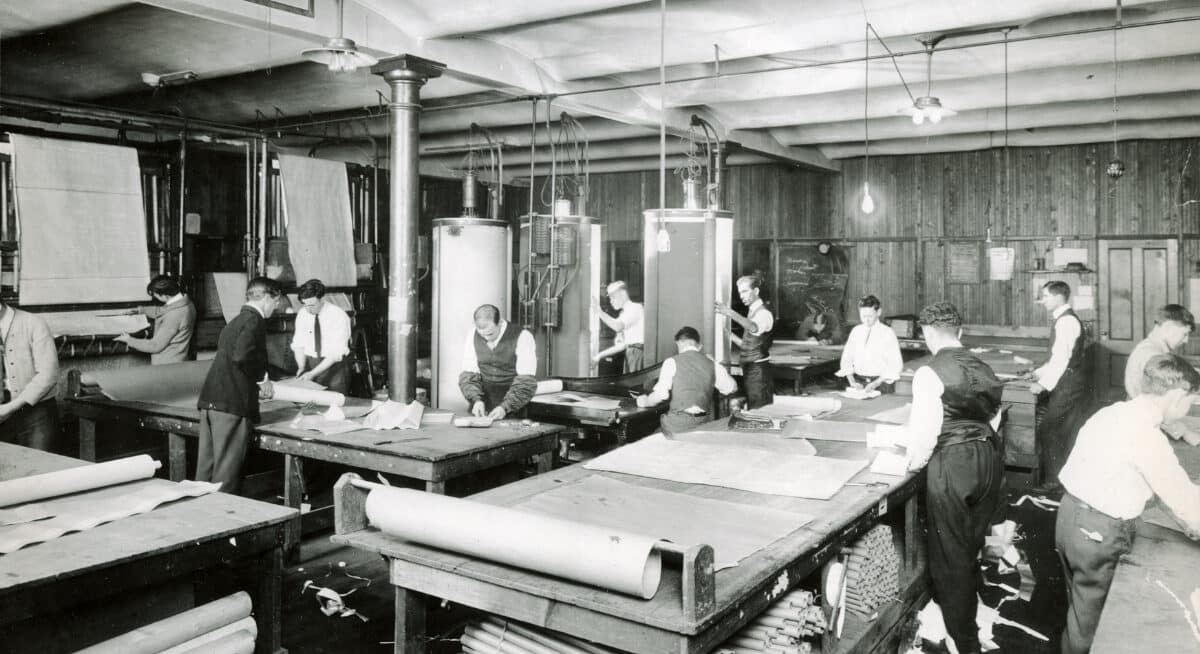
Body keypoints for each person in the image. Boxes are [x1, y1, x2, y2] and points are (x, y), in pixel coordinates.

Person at [1056, 354, 1200, 654]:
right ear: (1176, 395)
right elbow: (1184, 501)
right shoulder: (1147, 437)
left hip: (1069, 518)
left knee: (1078, 613)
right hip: (1100, 534)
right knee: (1097, 628)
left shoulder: (1112, 413)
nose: (1190, 408)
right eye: (1192, 400)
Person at [892, 301, 1004, 654]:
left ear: (926, 333)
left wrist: (910, 466)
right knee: (969, 544)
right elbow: (996, 415)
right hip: (988, 457)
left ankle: (964, 641)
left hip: (952, 463)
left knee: (949, 556)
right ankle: (966, 614)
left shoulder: (929, 373)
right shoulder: (983, 366)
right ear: (961, 331)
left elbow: (925, 436)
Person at [196, 277, 282, 494]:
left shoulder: (235, 321)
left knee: (206, 471)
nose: (277, 306)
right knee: (226, 475)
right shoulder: (254, 321)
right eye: (276, 301)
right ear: (267, 298)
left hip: (211, 402)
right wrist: (262, 379)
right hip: (231, 406)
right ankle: (221, 522)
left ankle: (199, 519)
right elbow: (242, 356)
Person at [1029, 280, 1092, 492]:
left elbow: (1061, 361)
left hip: (1068, 383)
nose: (1042, 301)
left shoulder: (1065, 322)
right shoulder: (1064, 319)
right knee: (1063, 429)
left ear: (1058, 297)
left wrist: (1042, 385)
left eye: (1045, 296)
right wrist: (1037, 373)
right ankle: (1063, 478)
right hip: (1070, 380)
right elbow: (1057, 358)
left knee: (1050, 429)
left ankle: (1055, 481)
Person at [636, 326, 738, 436]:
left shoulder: (671, 362)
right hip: (704, 424)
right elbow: (733, 388)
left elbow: (662, 395)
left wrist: (645, 401)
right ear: (698, 346)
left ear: (679, 343)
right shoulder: (712, 364)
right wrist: (715, 363)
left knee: (646, 433)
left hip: (678, 425)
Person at [1123, 304, 1200, 445]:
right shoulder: (1153, 355)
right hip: (1144, 429)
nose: (1186, 340)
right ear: (1168, 328)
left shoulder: (1152, 348)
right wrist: (1185, 432)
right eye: (1184, 334)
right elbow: (1160, 405)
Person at [459, 304, 537, 420]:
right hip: (482, 405)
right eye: (482, 335)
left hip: (514, 406)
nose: (486, 339)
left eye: (490, 334)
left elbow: (526, 381)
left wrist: (505, 407)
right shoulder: (472, 335)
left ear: (500, 322)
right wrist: (476, 400)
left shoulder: (523, 337)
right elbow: (469, 375)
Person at [0, 299, 60, 450]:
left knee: (38, 469)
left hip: (36, 414)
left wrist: (10, 407)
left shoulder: (34, 323)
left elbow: (48, 374)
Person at [715, 274, 774, 409]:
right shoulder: (752, 312)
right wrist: (729, 335)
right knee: (754, 409)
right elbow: (748, 345)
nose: (741, 296)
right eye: (740, 292)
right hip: (750, 370)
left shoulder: (763, 313)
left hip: (759, 372)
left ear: (756, 291)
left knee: (760, 411)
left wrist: (729, 312)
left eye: (745, 291)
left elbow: (753, 327)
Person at [115, 274, 197, 364]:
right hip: (179, 357)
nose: (155, 298)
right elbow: (163, 310)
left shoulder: (174, 316)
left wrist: (129, 340)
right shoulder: (186, 303)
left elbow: (155, 346)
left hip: (167, 364)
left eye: (156, 296)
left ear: (165, 295)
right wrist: (141, 310)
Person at [290, 279, 353, 394]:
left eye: (312, 305)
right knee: (313, 404)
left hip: (334, 366)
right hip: (312, 363)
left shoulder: (338, 315)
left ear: (322, 299)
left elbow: (335, 354)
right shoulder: (302, 314)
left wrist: (312, 373)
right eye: (305, 304)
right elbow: (299, 344)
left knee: (335, 401)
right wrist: (301, 367)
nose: (308, 309)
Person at [836, 294, 903, 394]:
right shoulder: (856, 331)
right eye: (863, 316)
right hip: (859, 383)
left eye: (870, 316)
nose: (866, 319)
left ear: (878, 312)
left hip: (881, 384)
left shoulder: (888, 333)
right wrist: (852, 382)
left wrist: (875, 384)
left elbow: (895, 365)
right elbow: (847, 359)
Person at [593, 281, 645, 372]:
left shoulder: (634, 308)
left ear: (623, 294)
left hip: (636, 354)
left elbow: (618, 326)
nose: (611, 301)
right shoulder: (625, 313)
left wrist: (599, 312)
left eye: (613, 297)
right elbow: (622, 345)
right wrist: (599, 356)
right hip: (631, 354)